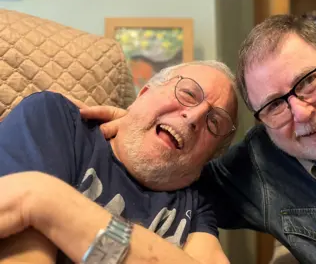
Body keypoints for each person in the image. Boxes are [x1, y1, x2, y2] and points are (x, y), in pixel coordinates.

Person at [2, 14, 316, 264]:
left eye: (309, 80)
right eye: (273, 105)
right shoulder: (254, 168)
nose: (302, 113)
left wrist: (44, 202)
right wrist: (141, 125)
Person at [0, 60, 238, 264]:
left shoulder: (195, 206)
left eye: (214, 123)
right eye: (187, 94)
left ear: (205, 161)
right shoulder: (57, 121)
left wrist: (45, 200)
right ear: (144, 94)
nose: (194, 117)